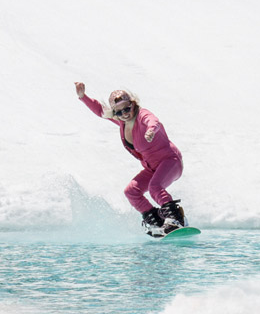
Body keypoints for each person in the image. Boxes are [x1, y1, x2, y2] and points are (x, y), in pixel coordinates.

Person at [74, 84, 186, 236]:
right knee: (131, 191)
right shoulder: (122, 121)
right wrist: (83, 96)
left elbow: (154, 121)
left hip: (170, 161)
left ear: (133, 104)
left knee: (155, 187)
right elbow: (100, 110)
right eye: (119, 112)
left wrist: (151, 131)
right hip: (151, 167)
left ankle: (176, 219)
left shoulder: (142, 115)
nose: (124, 114)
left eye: (127, 109)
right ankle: (157, 221)